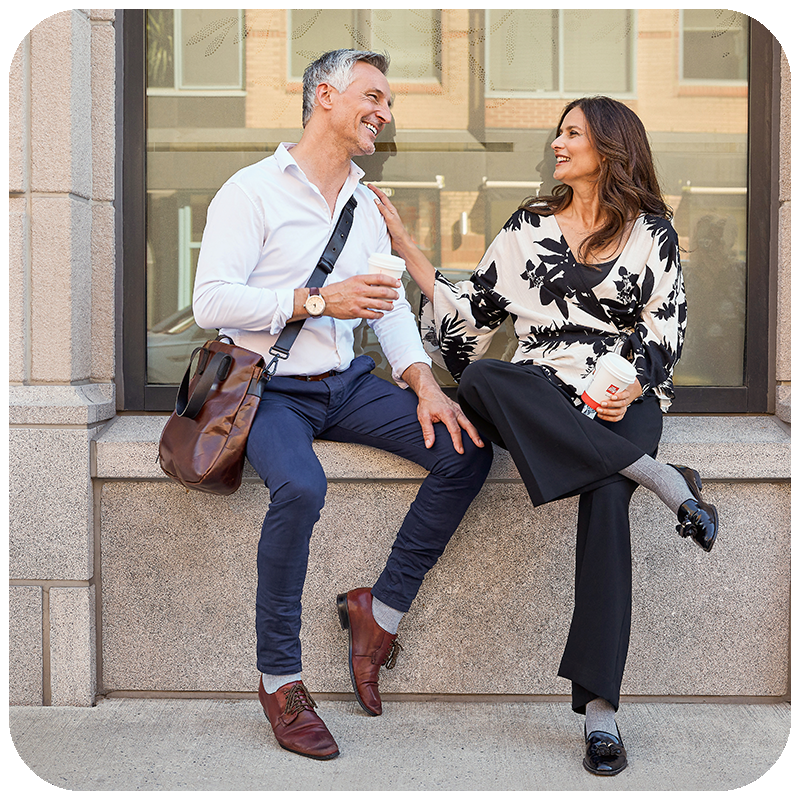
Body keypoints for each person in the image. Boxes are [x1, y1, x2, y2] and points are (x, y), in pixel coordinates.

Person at [368, 96, 718, 777]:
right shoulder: (529, 224)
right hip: (538, 391)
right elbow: (471, 312)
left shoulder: (653, 232)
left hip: (621, 397)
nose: (557, 143)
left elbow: (664, 328)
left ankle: (600, 714)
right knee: (485, 383)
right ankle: (663, 479)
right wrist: (408, 250)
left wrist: (631, 385)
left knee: (607, 501)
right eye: (558, 132)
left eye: (573, 134)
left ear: (610, 150)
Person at [192, 49, 492, 761]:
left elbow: (384, 310)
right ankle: (280, 678)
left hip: (349, 383)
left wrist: (420, 381)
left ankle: (377, 615)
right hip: (269, 389)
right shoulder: (252, 190)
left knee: (465, 448)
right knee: (300, 485)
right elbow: (211, 301)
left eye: (389, 103)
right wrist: (318, 299)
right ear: (324, 96)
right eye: (374, 95)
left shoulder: (363, 203)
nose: (384, 112)